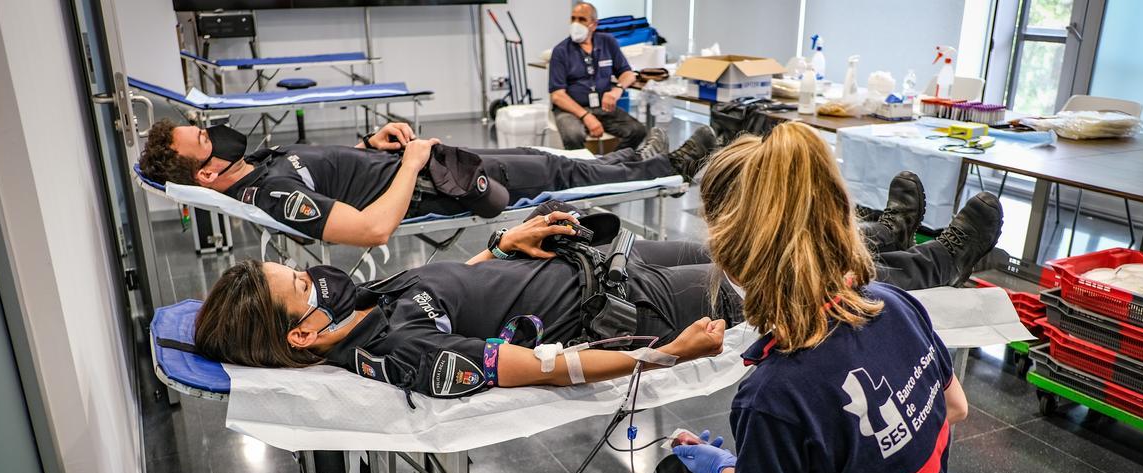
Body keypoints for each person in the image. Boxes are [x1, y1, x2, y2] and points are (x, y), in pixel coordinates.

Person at [566, 123, 978, 473]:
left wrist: (734, 470)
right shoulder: (893, 303)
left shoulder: (776, 389)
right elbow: (954, 409)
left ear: (734, 260)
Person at [191, 148, 1001, 402]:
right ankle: (933, 260)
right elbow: (549, 365)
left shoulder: (360, 313)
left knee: (759, 249)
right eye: (294, 284)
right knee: (791, 283)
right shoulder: (395, 351)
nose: (309, 275)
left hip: (599, 264)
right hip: (628, 306)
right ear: (299, 332)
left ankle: (884, 233)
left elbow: (449, 292)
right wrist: (667, 356)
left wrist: (504, 250)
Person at [137, 118, 714, 247]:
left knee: (544, 156)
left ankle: (639, 158)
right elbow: (368, 229)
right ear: (207, 174)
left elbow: (335, 172)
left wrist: (371, 145)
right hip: (433, 184)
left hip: (424, 164)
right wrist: (410, 165)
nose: (215, 133)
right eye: (204, 141)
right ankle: (667, 169)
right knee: (559, 173)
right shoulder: (268, 193)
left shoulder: (256, 164)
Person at [549, 2, 648, 151]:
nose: (576, 24)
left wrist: (617, 90)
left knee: (637, 131)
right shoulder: (561, 51)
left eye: (582, 19)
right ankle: (581, 171)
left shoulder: (607, 42)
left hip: (602, 107)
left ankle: (610, 165)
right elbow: (557, 96)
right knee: (573, 135)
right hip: (571, 110)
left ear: (594, 24)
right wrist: (586, 116)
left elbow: (628, 74)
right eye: (573, 19)